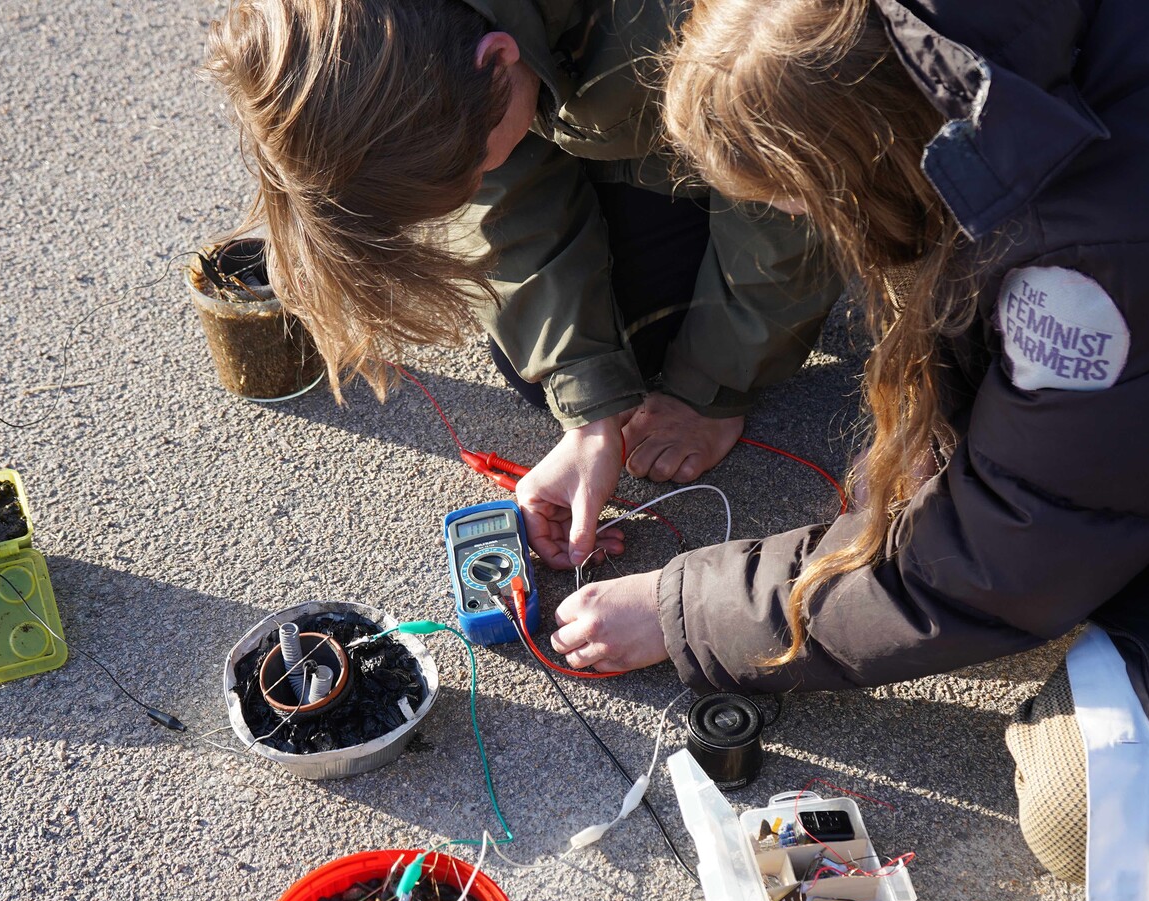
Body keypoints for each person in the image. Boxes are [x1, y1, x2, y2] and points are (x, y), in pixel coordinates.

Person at [550, 0, 1149, 901]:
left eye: (799, 205)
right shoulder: (997, 66)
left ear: (882, 150)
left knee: (1080, 802)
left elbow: (998, 560)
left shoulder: (1113, 255)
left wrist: (687, 609)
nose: (800, 229)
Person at [204, 0, 842, 571]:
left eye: (471, 163)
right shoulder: (409, 50)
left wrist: (711, 386)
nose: (477, 173)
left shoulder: (726, 28)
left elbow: (784, 192)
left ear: (498, 56)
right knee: (568, 369)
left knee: (665, 343)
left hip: (774, 98)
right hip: (601, 92)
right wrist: (590, 408)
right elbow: (499, 194)